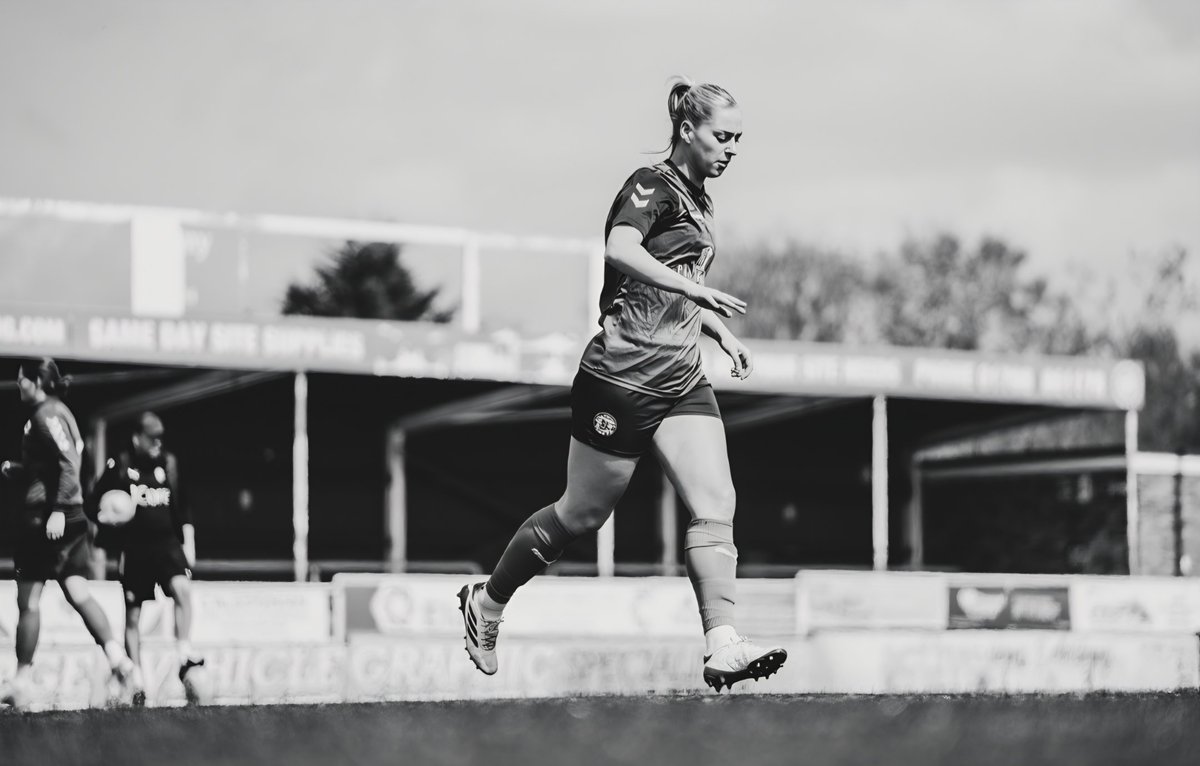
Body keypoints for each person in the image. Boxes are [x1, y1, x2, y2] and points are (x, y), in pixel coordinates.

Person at [459, 78, 786, 692]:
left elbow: (675, 283)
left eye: (739, 137)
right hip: (621, 379)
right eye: (723, 135)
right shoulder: (651, 186)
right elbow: (619, 248)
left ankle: (723, 645)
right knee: (581, 513)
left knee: (717, 505)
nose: (732, 148)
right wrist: (693, 290)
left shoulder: (700, 197)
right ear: (688, 131)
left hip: (681, 377)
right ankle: (489, 601)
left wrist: (717, 330)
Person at [0, 358, 136, 709]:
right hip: (69, 518)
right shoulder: (59, 411)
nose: (18, 386)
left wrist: (57, 509)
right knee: (77, 591)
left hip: (47, 520)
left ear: (37, 382)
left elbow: (68, 463)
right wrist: (20, 470)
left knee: (28, 600)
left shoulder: (45, 415)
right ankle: (121, 663)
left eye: (21, 380)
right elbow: (58, 461)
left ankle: (21, 681)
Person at [88, 411, 204, 705]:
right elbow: (93, 503)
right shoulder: (121, 464)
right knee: (134, 614)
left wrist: (188, 543)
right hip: (135, 548)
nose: (157, 443)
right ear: (137, 437)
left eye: (159, 437)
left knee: (182, 589)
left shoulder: (170, 463)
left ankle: (184, 653)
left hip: (167, 545)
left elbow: (184, 507)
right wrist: (107, 518)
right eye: (151, 438)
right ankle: (137, 679)